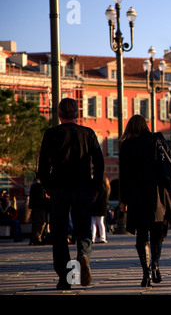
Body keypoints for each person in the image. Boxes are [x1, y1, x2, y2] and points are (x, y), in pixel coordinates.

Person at [38, 98, 104, 289]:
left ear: (59, 113)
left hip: (59, 189)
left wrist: (47, 186)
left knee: (59, 233)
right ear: (77, 113)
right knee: (83, 228)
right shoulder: (88, 133)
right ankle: (83, 254)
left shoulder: (51, 134)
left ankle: (65, 277)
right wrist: (95, 187)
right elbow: (99, 163)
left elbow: (43, 165)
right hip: (83, 188)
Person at [119, 114, 171, 287]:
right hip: (158, 194)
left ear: (130, 127)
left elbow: (124, 176)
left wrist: (123, 200)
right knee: (156, 233)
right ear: (145, 126)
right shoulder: (157, 139)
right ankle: (155, 265)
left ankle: (145, 273)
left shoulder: (126, 145)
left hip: (136, 195)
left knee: (141, 235)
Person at [29, 176, 49, 245]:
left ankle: (34, 238)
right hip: (40, 207)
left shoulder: (33, 186)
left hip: (35, 207)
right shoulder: (40, 187)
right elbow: (42, 199)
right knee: (41, 222)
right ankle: (38, 238)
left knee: (35, 223)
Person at [91, 177, 110, 244]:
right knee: (100, 223)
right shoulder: (106, 189)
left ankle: (92, 238)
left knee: (93, 223)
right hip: (102, 208)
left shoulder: (98, 189)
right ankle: (102, 237)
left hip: (96, 207)